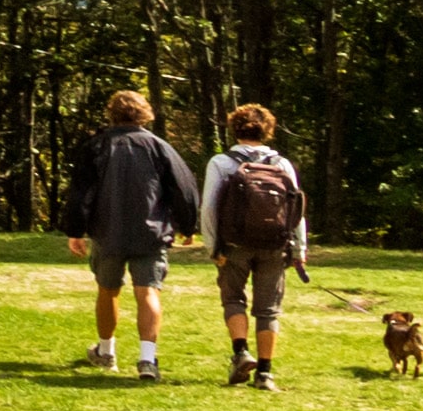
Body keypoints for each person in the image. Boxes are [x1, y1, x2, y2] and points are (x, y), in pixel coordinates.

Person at [60, 88, 204, 380]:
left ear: (111, 113)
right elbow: (184, 188)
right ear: (144, 114)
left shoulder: (96, 146)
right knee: (148, 291)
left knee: (107, 289)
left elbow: (81, 191)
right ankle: (147, 360)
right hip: (150, 233)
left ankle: (106, 351)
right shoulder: (159, 147)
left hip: (107, 231)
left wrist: (76, 230)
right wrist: (188, 225)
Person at [201, 103, 313, 392]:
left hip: (234, 244)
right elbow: (296, 208)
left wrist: (213, 246)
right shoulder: (282, 164)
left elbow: (209, 209)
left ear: (234, 128)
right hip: (275, 245)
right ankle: (265, 374)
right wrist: (299, 248)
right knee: (269, 311)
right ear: (268, 130)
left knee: (233, 300)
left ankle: (240, 353)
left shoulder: (221, 163)